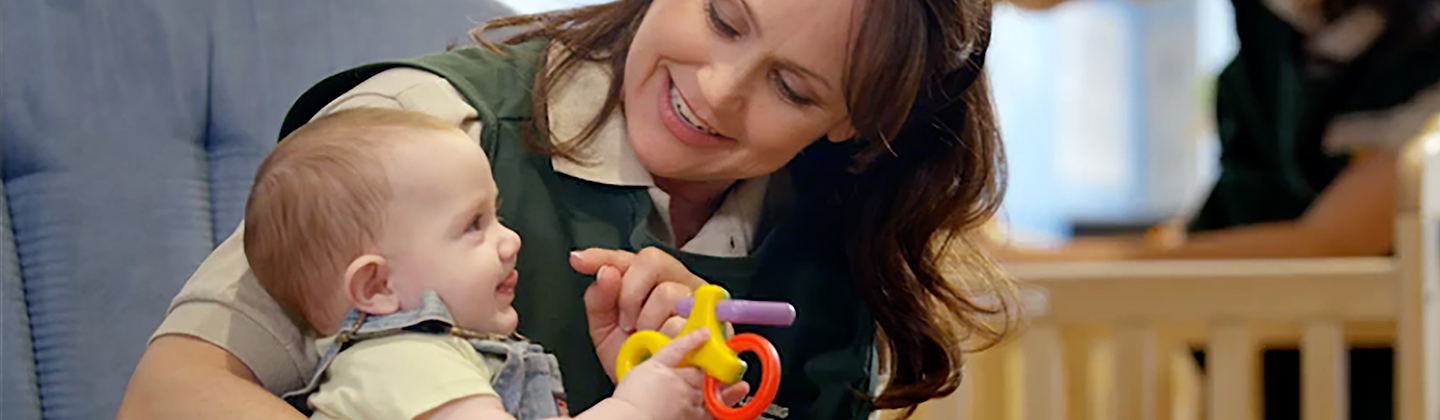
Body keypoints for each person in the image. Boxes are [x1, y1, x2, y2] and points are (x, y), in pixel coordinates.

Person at [115, 0, 1014, 419]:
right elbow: (167, 398)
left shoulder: (832, 231)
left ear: (853, 128)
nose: (717, 90)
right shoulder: (420, 131)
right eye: (724, 18)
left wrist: (690, 397)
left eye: (790, 86)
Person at [996, 0, 1440, 417]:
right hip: (1248, 375)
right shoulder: (1275, 27)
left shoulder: (1417, 66)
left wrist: (1022, 262)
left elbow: (1330, 244)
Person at [241, 107, 727, 420]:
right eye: (474, 225)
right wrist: (636, 407)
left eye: (497, 216)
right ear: (376, 286)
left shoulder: (456, 358)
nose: (510, 240)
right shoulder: (403, 360)